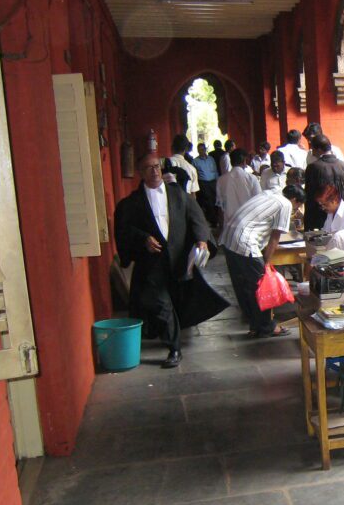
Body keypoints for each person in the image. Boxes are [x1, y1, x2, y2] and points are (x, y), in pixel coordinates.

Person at [113, 153, 228, 368]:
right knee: (160, 302)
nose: (154, 171)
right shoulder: (132, 203)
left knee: (177, 300)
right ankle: (174, 348)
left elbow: (196, 217)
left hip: (179, 259)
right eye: (148, 168)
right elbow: (125, 230)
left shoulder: (178, 194)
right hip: (151, 264)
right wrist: (143, 239)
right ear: (140, 173)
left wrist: (202, 240)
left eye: (157, 166)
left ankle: (174, 334)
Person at [219, 185, 306, 338]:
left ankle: (255, 325)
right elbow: (275, 237)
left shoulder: (270, 192)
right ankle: (266, 327)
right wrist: (266, 262)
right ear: (294, 200)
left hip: (229, 238)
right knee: (262, 285)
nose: (296, 209)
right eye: (297, 206)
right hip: (244, 241)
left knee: (246, 286)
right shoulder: (285, 204)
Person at [304, 134, 344, 229]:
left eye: (313, 149)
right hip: (341, 214)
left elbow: (309, 196)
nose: (312, 153)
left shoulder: (313, 168)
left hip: (319, 216)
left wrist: (308, 223)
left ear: (318, 149)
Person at [216, 148, 261, 225]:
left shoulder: (221, 180)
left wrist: (221, 225)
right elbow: (258, 202)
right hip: (248, 222)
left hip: (229, 224)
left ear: (231, 162)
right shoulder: (252, 178)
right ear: (244, 161)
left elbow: (220, 206)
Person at [192, 142, 220, 225]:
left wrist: (218, 181)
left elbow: (215, 170)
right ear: (198, 151)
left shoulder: (211, 159)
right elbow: (194, 174)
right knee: (208, 201)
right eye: (200, 150)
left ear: (205, 149)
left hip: (213, 182)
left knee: (215, 200)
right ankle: (212, 220)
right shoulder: (195, 161)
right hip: (203, 183)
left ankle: (217, 218)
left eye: (203, 149)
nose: (202, 151)